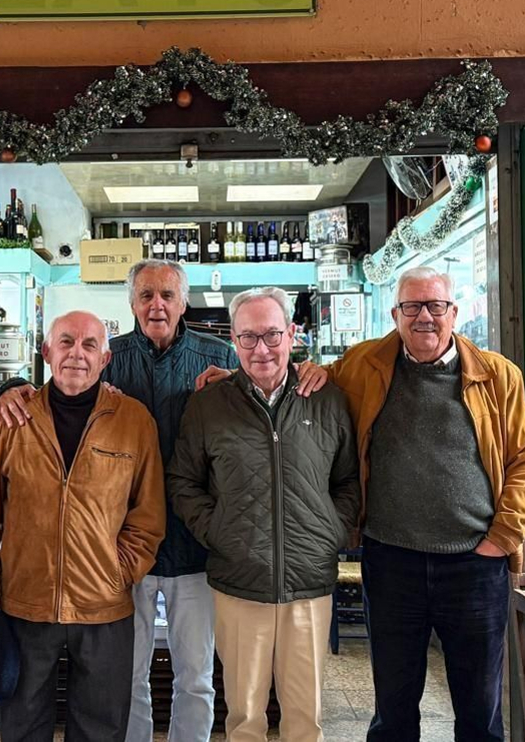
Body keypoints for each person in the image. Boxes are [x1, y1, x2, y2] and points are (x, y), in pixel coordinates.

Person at [296, 266, 525, 742]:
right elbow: (308, 386)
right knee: (393, 707)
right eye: (412, 307)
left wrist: (502, 538)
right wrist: (235, 376)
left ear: (454, 312)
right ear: (396, 314)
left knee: (479, 710)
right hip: (392, 561)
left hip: (474, 564)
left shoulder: (497, 376)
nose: (424, 317)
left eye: (435, 306)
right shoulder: (363, 365)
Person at [0, 259, 237, 742]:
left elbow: (265, 400)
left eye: (167, 295)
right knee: (126, 679)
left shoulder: (222, 359)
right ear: (131, 303)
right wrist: (6, 390)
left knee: (196, 677)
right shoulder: (108, 357)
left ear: (183, 302)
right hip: (118, 550)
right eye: (146, 295)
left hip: (196, 548)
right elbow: (51, 396)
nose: (157, 305)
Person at [167, 287, 361, 742]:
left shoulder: (327, 399)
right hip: (239, 582)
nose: (262, 349)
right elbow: (183, 481)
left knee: (304, 716)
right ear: (233, 341)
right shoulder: (208, 405)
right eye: (248, 337)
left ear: (292, 334)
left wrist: (329, 531)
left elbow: (348, 481)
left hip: (309, 583)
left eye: (272, 335)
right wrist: (219, 532)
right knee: (244, 716)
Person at [0, 310, 166, 742]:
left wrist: (117, 570)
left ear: (105, 358)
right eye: (67, 342)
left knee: (100, 728)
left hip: (104, 608)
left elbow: (148, 516)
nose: (77, 354)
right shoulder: (14, 419)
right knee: (21, 726)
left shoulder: (133, 421)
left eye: (89, 345)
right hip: (25, 602)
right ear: (46, 352)